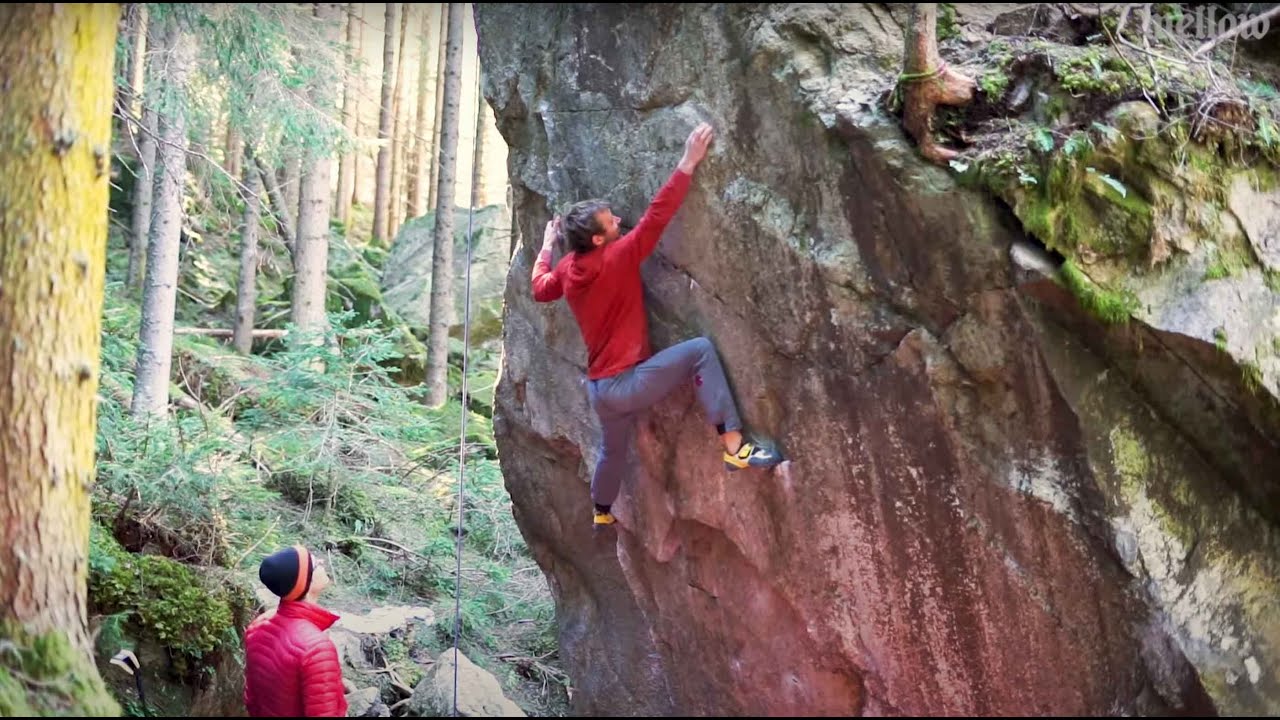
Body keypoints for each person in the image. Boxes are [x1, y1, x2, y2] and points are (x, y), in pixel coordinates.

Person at [531, 121, 783, 528]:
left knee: (611, 451)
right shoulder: (618, 257)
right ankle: (735, 447)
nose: (618, 220)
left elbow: (541, 289)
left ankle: (601, 511)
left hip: (599, 390)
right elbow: (656, 217)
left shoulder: (566, 268)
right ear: (597, 239)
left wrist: (545, 249)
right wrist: (687, 162)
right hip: (627, 384)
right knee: (700, 351)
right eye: (610, 221)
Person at [243, 545, 348, 717]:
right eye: (315, 563)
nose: (322, 561)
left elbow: (251, 698)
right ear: (307, 582)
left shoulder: (259, 625)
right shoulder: (317, 649)